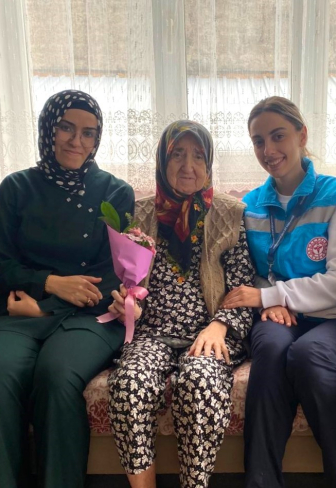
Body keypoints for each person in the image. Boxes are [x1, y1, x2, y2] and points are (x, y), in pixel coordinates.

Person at [0, 89, 135, 488]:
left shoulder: (115, 191)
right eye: (67, 128)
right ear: (48, 129)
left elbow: (114, 275)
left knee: (56, 377)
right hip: (16, 312)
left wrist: (46, 308)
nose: (77, 141)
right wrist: (49, 283)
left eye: (89, 133)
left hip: (89, 316)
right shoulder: (17, 187)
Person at [222, 96, 336, 488]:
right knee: (270, 349)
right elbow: (249, 272)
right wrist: (270, 298)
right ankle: (261, 482)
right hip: (280, 315)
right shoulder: (249, 205)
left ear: (302, 135)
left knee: (308, 355)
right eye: (258, 141)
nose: (268, 150)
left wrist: (273, 296)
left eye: (278, 136)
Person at [106, 120, 256, 488]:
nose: (188, 166)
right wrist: (126, 302)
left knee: (199, 381)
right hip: (151, 333)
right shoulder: (138, 213)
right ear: (162, 159)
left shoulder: (230, 214)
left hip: (209, 332)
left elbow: (243, 285)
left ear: (209, 164)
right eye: (177, 155)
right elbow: (124, 279)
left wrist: (220, 325)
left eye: (198, 156)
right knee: (128, 384)